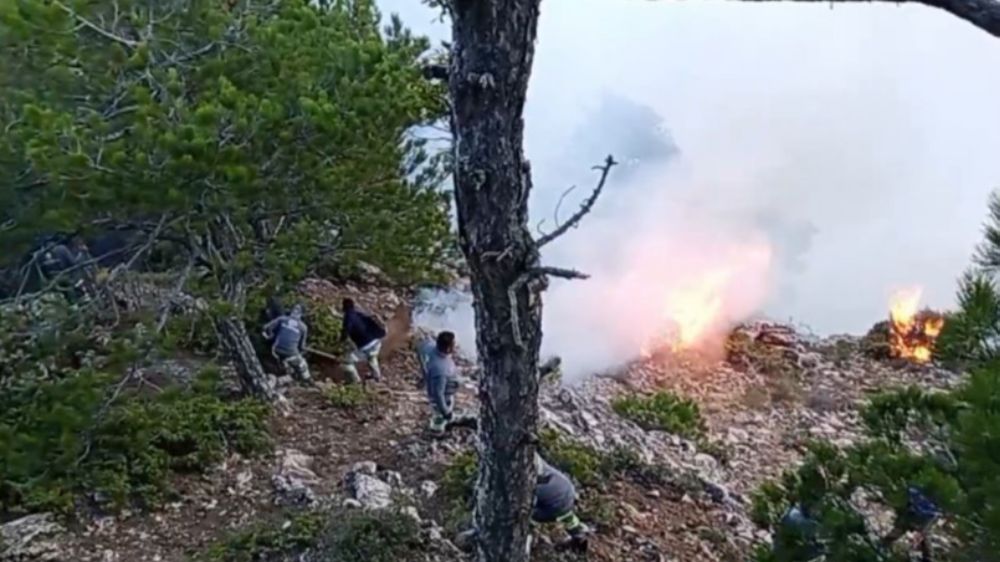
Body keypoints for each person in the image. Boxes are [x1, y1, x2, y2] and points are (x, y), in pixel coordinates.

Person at [456, 453, 590, 553]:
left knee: (518, 517)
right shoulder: (529, 455)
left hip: (549, 507)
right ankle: (578, 533)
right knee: (563, 511)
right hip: (566, 489)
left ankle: (521, 546)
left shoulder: (519, 478)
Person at [418, 331, 462, 434]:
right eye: (453, 344)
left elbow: (420, 347)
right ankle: (437, 430)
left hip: (432, 381)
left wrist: (424, 374)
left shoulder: (428, 347)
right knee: (439, 413)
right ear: (448, 348)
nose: (455, 346)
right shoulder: (442, 369)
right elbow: (438, 394)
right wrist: (446, 412)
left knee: (437, 406)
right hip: (444, 396)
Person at [340, 298, 386, 383]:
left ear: (344, 307)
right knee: (372, 358)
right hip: (376, 341)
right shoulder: (359, 314)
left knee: (346, 362)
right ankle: (377, 377)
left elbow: (346, 332)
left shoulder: (348, 317)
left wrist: (340, 343)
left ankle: (355, 381)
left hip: (366, 346)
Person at [263, 304, 312, 384]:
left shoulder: (282, 319)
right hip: (290, 353)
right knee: (302, 364)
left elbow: (266, 327)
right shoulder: (303, 327)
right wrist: (304, 351)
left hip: (275, 350)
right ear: (302, 314)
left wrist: (270, 336)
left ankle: (281, 377)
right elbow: (302, 346)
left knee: (289, 366)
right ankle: (307, 380)